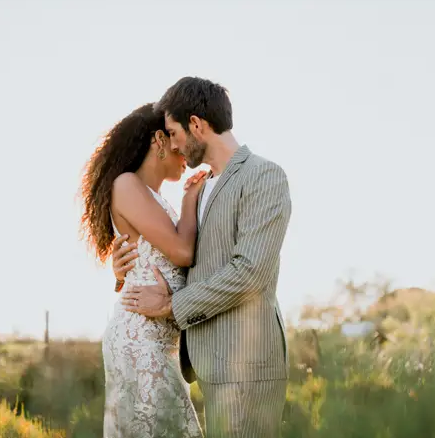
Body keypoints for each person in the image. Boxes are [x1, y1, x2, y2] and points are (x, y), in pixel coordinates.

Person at [112, 76, 292, 438]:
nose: (173, 143)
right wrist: (123, 271)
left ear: (196, 124)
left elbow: (250, 273)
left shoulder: (263, 175)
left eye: (174, 131)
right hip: (210, 363)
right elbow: (183, 259)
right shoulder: (203, 187)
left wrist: (170, 306)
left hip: (247, 364)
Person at [79, 102, 208, 437]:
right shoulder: (126, 184)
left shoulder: (150, 195)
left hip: (160, 340)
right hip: (140, 338)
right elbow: (181, 251)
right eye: (177, 138)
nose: (185, 150)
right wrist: (190, 199)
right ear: (159, 140)